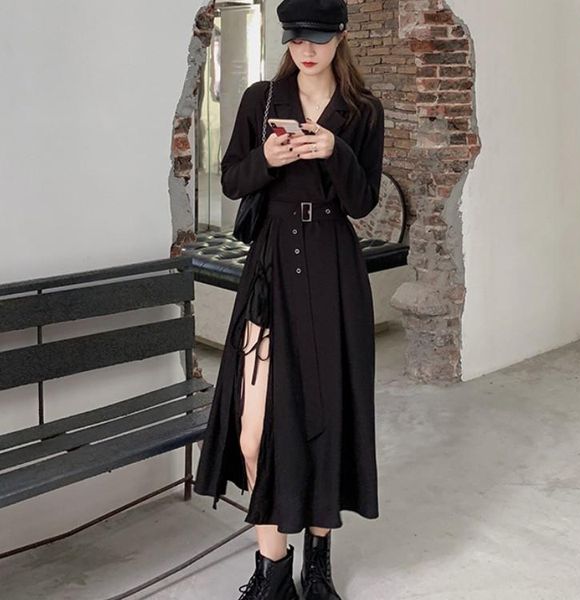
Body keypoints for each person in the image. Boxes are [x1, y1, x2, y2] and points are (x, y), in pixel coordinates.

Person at [193, 0, 385, 597]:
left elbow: (363, 201)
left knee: (328, 416)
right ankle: (272, 569)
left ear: (340, 36)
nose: (307, 50)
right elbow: (232, 179)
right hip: (272, 264)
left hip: (332, 266)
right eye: (297, 38)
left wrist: (335, 151)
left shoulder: (362, 110)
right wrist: (266, 159)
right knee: (254, 426)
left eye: (318, 38)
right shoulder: (262, 99)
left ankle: (317, 563)